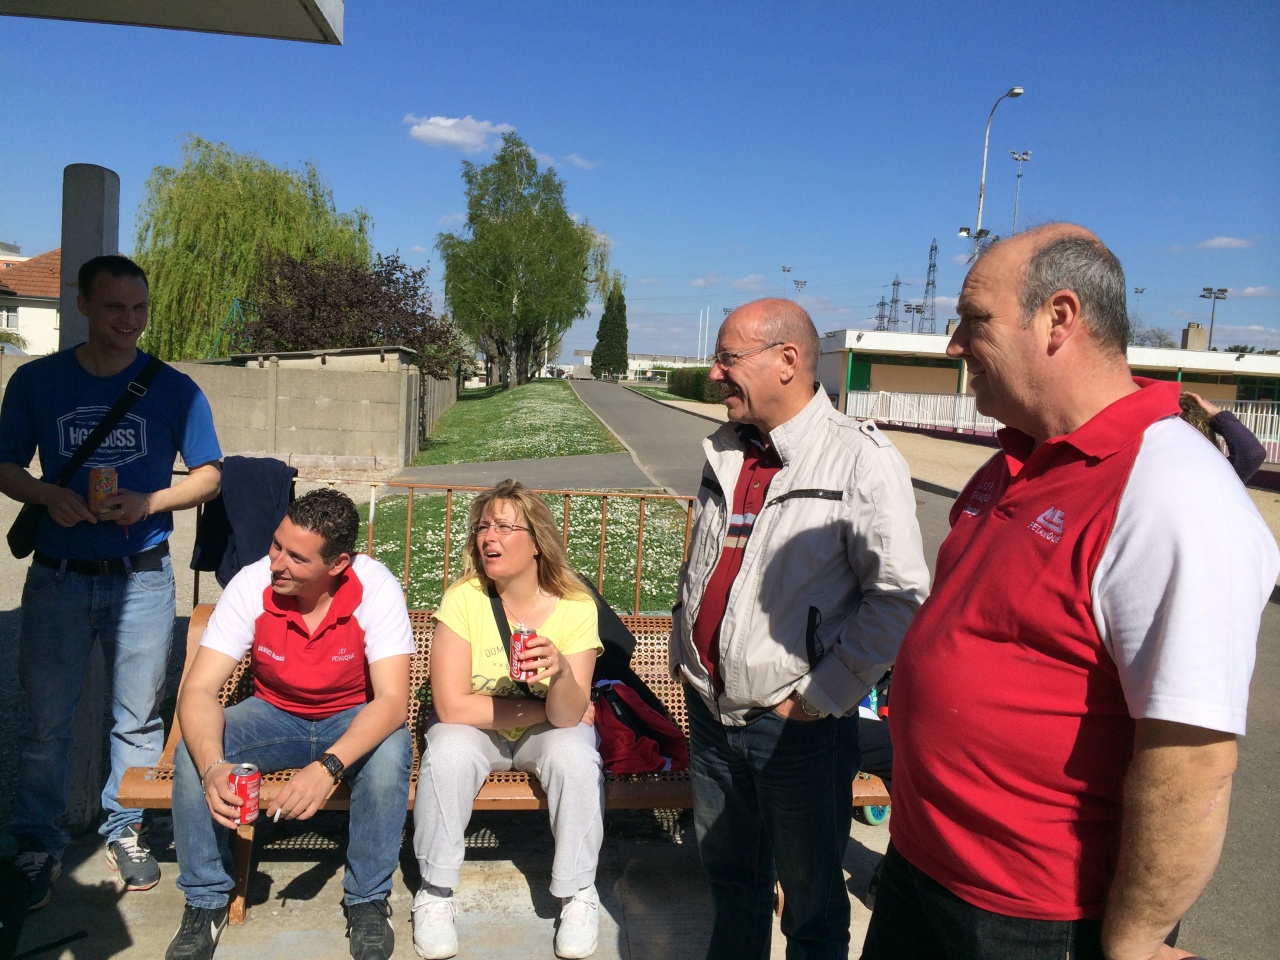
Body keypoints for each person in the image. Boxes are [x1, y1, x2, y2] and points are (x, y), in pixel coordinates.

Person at [863, 225, 1280, 960]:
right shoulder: (1013, 460)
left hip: (1035, 920)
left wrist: (1134, 942)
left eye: (974, 320)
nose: (954, 346)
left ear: (1059, 318)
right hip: (923, 870)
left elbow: (1192, 759)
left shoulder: (1173, 491)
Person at [672, 298, 930, 960]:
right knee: (733, 885)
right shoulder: (727, 449)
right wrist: (689, 658)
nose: (714, 373)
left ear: (787, 360)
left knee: (811, 906)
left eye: (728, 358)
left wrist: (819, 698)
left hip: (796, 729)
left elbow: (898, 597)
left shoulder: (860, 460)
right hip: (712, 714)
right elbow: (709, 563)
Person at [0, 255, 222, 908]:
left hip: (143, 577)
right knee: (46, 722)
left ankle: (127, 828)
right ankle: (37, 841)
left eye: (139, 308)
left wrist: (152, 502)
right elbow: (5, 466)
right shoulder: (37, 381)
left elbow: (210, 474)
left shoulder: (175, 388)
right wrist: (48, 496)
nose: (129, 321)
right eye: (115, 307)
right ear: (83, 306)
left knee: (138, 720)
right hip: (58, 577)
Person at [167, 489, 412, 960]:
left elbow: (392, 701)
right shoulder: (251, 584)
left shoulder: (375, 587)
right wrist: (215, 765)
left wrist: (328, 767)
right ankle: (205, 900)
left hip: (350, 715)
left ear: (338, 564)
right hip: (273, 714)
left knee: (390, 751)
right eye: (277, 545)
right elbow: (198, 690)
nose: (277, 563)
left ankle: (367, 900)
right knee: (192, 750)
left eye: (297, 558)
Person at [411, 479, 603, 960]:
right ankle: (435, 891)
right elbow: (452, 706)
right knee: (448, 750)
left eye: (503, 527)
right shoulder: (464, 599)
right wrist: (548, 706)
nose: (487, 537)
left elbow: (568, 719)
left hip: (545, 733)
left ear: (536, 542)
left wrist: (562, 673)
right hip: (479, 731)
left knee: (576, 756)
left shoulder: (576, 606)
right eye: (482, 527)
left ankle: (579, 892)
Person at [1180, 391, 1267, 483]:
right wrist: (1217, 413)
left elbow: (1252, 454)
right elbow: (1251, 454)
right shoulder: (1208, 475)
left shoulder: (1198, 473)